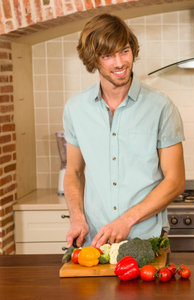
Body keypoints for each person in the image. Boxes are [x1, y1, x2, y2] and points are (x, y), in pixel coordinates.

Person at [63, 13, 185, 249]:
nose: (119, 63)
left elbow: (176, 181)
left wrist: (127, 220)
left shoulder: (161, 107)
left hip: (146, 241)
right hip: (94, 242)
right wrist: (77, 217)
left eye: (124, 51)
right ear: (93, 60)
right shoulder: (75, 109)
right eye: (107, 55)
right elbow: (74, 172)